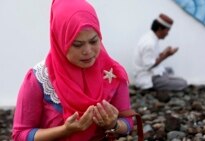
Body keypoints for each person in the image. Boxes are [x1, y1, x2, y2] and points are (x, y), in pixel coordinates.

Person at [12, 0, 133, 140]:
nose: (87, 51)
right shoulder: (39, 79)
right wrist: (65, 130)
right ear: (59, 41)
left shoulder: (113, 73)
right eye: (77, 44)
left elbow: (128, 122)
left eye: (94, 41)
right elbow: (20, 135)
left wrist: (114, 124)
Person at [133, 13, 187, 98]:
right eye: (167, 30)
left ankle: (165, 81)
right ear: (159, 28)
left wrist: (165, 52)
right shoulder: (149, 43)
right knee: (183, 83)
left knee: (170, 70)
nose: (168, 33)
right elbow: (149, 66)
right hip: (148, 77)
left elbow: (152, 58)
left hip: (151, 73)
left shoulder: (150, 37)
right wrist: (167, 55)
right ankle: (156, 87)